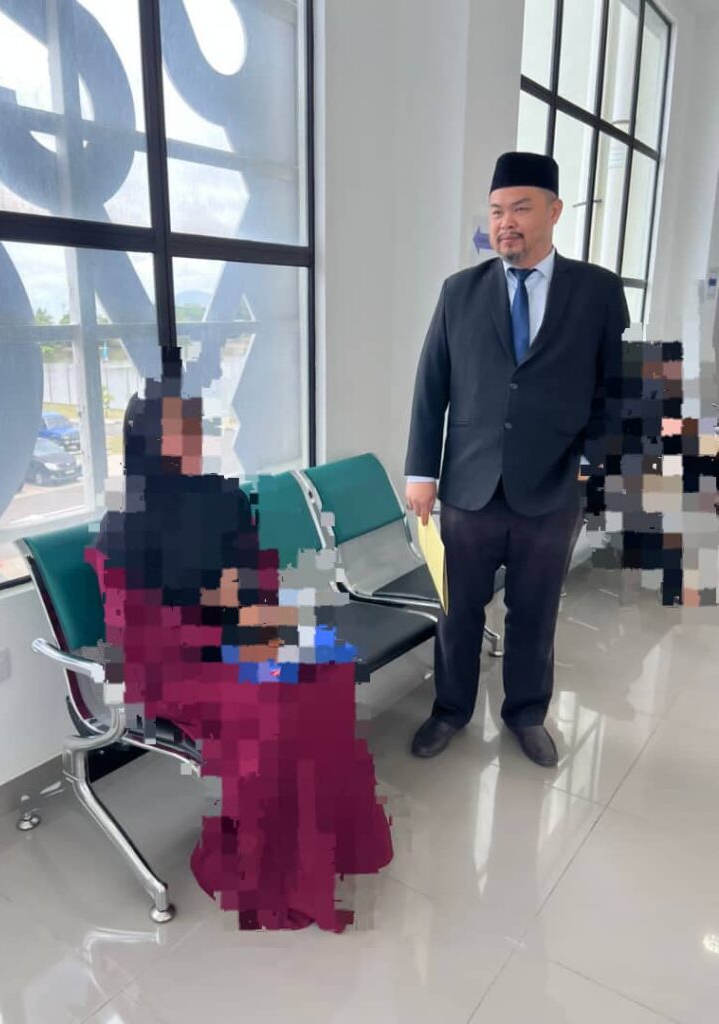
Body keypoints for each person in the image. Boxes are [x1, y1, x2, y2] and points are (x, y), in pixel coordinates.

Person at [87, 376, 393, 931]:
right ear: (150, 441)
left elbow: (254, 579)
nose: (196, 438)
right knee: (273, 707)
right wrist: (222, 616)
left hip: (236, 638)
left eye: (195, 426)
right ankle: (263, 866)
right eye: (181, 430)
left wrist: (254, 618)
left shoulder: (222, 497)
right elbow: (136, 630)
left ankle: (326, 847)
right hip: (172, 664)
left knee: (326, 671)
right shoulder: (124, 520)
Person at [404, 151, 629, 767]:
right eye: (497, 210)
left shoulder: (597, 292)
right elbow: (431, 385)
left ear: (554, 212)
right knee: (458, 610)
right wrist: (422, 473)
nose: (506, 222)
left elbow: (617, 388)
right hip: (468, 487)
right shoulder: (460, 292)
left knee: (535, 611)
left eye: (521, 208)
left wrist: (593, 462)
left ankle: (526, 714)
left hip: (553, 487)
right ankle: (450, 710)